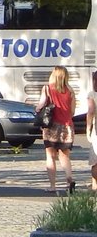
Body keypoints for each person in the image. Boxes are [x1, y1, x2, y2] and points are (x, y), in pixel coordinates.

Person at [36, 65, 76, 195]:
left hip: (52, 127)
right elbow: (72, 111)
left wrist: (38, 109)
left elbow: (41, 105)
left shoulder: (47, 89)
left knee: (51, 156)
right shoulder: (70, 90)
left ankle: (53, 185)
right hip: (67, 127)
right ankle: (69, 180)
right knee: (65, 156)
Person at [87, 71, 97, 191]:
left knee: (95, 160)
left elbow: (90, 112)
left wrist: (88, 128)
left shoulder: (92, 95)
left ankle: (95, 185)